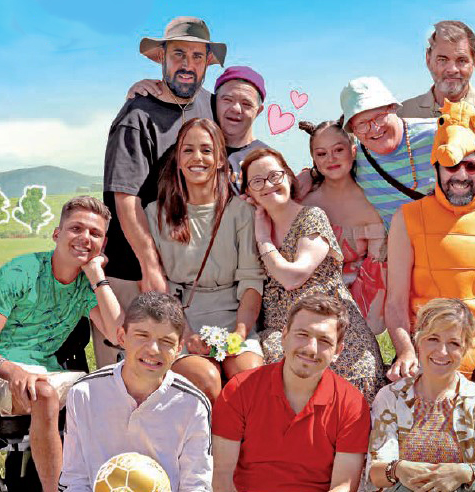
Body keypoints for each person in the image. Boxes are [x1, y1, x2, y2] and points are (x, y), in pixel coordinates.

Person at [0, 196, 122, 492]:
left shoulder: (85, 286)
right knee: (45, 393)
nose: (85, 238)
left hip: (49, 373)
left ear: (103, 244)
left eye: (95, 233)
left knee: (113, 390)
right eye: (76, 228)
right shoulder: (21, 272)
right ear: (56, 234)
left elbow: (119, 335)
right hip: (0, 374)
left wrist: (97, 276)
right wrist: (13, 371)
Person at [99, 16, 226, 367]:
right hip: (135, 269)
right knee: (132, 372)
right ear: (162, 59)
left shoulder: (212, 106)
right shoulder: (136, 116)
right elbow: (126, 199)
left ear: (207, 63)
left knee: (191, 371)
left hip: (191, 273)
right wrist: (149, 265)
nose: (187, 65)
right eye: (178, 54)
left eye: (197, 56)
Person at [385, 100, 475, 384]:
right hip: (424, 356)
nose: (461, 176)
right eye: (451, 165)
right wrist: (405, 352)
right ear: (436, 166)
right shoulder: (407, 218)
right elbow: (396, 301)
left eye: (471, 166)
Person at [211, 294, 372, 492]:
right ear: (284, 336)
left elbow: (343, 488)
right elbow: (221, 476)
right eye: (302, 334)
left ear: (338, 350)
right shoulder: (240, 389)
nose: (310, 348)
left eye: (324, 341)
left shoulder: (352, 403)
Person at [55, 292, 213, 492]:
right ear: (122, 336)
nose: (153, 349)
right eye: (142, 336)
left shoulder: (193, 404)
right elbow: (72, 481)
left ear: (179, 348)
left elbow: (198, 490)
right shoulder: (84, 393)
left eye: (166, 341)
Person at [241, 148, 386, 402]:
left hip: (331, 321)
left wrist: (264, 239)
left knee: (348, 381)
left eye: (275, 176)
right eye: (257, 181)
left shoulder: (311, 216)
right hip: (283, 329)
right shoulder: (249, 226)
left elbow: (294, 277)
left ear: (288, 177)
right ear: (249, 192)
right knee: (280, 375)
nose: (268, 185)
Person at [145, 118, 264, 404]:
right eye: (188, 150)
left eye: (206, 150)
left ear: (221, 159)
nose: (197, 157)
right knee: (207, 379)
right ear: (178, 160)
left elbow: (251, 279)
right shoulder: (155, 213)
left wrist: (240, 332)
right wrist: (186, 334)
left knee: (248, 378)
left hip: (234, 315)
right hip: (180, 317)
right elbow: (156, 284)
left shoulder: (240, 212)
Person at [367, 298, 475, 492]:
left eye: (454, 343)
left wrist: (460, 473)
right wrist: (400, 469)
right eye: (433, 339)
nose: (442, 352)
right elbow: (376, 472)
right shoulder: (391, 397)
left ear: (466, 348)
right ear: (418, 340)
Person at [338, 76, 475, 228]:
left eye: (379, 117)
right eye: (362, 124)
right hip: (404, 251)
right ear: (353, 128)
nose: (374, 129)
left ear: (393, 107)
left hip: (458, 242)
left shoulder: (439, 134)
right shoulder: (354, 158)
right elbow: (327, 169)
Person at [298, 119, 387, 334]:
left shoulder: (373, 203)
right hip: (304, 304)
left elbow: (374, 276)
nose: (331, 159)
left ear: (353, 151)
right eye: (322, 154)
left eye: (338, 150)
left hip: (354, 312)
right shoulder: (304, 201)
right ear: (314, 159)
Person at [128, 65, 270, 190]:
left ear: (258, 111)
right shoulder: (189, 144)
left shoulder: (266, 160)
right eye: (227, 99)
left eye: (246, 104)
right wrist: (142, 98)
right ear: (215, 101)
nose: (236, 108)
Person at [400, 20, 475, 123]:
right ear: (428, 59)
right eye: (442, 60)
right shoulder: (403, 115)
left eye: (461, 60)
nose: (452, 70)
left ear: (474, 61)